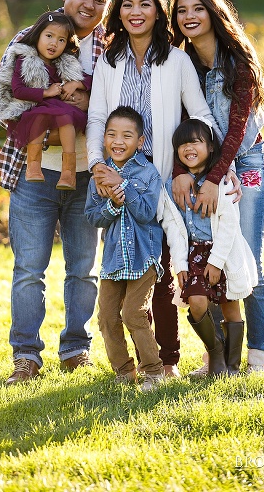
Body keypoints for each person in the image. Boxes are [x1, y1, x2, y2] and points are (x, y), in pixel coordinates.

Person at [86, 0, 226, 379]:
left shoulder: (176, 60)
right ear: (119, 11)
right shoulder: (109, 60)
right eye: (127, 4)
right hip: (116, 177)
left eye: (144, 4)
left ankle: (167, 363)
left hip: (161, 180)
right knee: (123, 264)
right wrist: (98, 164)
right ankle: (129, 365)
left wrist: (186, 169)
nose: (135, 12)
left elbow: (200, 115)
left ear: (157, 11)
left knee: (163, 270)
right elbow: (97, 117)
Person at [0, 0, 115, 385]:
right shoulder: (31, 39)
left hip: (88, 176)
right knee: (29, 269)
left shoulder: (111, 49)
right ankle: (26, 356)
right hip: (34, 175)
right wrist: (43, 115)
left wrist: (86, 99)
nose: (90, 4)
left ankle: (76, 350)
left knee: (83, 269)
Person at [169, 0, 264, 375]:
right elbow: (187, 124)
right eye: (181, 11)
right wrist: (184, 171)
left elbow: (234, 130)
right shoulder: (184, 65)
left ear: (213, 12)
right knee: (207, 254)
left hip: (245, 165)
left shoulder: (239, 62)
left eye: (197, 8)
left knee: (247, 259)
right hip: (204, 170)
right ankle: (219, 359)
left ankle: (258, 357)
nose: (190, 17)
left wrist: (215, 178)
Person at [160, 117, 257, 376]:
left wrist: (215, 262)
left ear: (211, 147)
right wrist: (180, 263)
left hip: (223, 252)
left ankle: (232, 365)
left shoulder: (220, 183)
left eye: (195, 142)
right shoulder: (172, 188)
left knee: (230, 304)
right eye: (182, 145)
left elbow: (229, 225)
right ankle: (216, 354)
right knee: (197, 301)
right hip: (193, 254)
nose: (188, 148)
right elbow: (174, 229)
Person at [84, 107, 165, 392]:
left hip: (144, 256)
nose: (118, 141)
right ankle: (124, 370)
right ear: (104, 138)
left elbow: (145, 213)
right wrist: (111, 205)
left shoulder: (149, 173)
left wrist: (124, 187)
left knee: (133, 313)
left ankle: (154, 371)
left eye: (126, 135)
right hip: (114, 259)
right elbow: (93, 216)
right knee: (106, 316)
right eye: (111, 134)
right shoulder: (99, 174)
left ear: (140, 141)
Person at [0, 11, 90, 191]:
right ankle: (33, 167)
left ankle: (68, 172)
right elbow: (18, 90)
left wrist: (76, 83)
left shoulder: (66, 62)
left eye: (61, 40)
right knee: (38, 118)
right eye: (49, 36)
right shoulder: (25, 60)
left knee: (66, 120)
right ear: (38, 35)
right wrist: (46, 92)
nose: (54, 43)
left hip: (60, 108)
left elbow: (90, 79)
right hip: (38, 106)